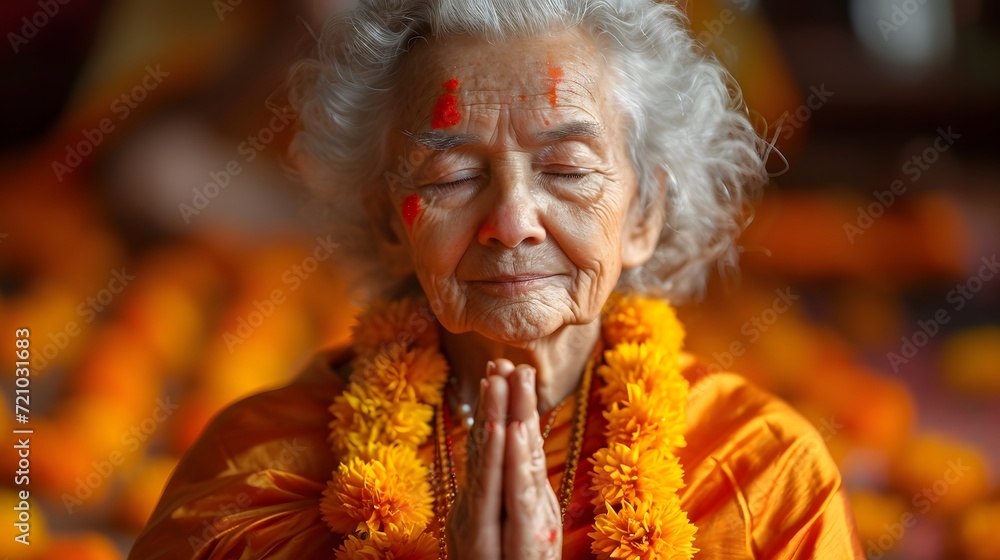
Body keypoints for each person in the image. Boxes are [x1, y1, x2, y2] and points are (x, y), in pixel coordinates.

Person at [130, 0, 864, 558]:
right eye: (454, 175)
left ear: (643, 213)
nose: (512, 219)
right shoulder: (254, 477)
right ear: (391, 222)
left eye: (568, 170)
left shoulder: (764, 479)